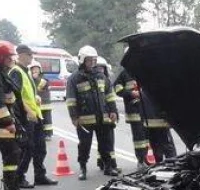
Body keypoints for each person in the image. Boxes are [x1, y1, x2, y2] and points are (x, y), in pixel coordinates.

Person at [65, 46, 120, 180]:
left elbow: (110, 96)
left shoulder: (101, 76)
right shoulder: (74, 79)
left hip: (103, 118)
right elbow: (71, 100)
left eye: (94, 60)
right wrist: (74, 117)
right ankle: (83, 168)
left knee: (105, 144)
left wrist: (113, 111)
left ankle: (108, 167)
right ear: (82, 61)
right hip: (85, 120)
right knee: (84, 145)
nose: (92, 63)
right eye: (89, 60)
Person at [0, 41, 30, 190]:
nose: (12, 59)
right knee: (11, 157)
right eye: (9, 57)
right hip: (2, 124)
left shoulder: (0, 73)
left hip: (8, 121)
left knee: (13, 155)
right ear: (1, 57)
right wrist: (7, 122)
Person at [9, 45, 56, 187]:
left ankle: (39, 176)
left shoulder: (26, 71)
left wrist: (35, 97)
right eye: (29, 55)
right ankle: (19, 177)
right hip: (24, 117)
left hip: (35, 116)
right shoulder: (16, 72)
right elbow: (15, 96)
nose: (31, 58)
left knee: (40, 147)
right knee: (26, 148)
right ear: (22, 55)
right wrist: (28, 110)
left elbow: (27, 92)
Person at [115, 67, 149, 168]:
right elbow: (117, 88)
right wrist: (130, 93)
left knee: (147, 137)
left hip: (146, 110)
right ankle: (140, 160)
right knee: (139, 139)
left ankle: (148, 158)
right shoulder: (124, 74)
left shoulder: (143, 70)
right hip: (134, 111)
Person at [142, 87, 176, 163]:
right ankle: (172, 164)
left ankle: (159, 165)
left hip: (149, 122)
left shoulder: (144, 87)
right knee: (168, 147)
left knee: (156, 147)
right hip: (161, 121)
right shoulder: (159, 86)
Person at [30, 61, 54, 140]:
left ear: (40, 70)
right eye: (33, 69)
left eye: (37, 69)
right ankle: (39, 133)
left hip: (45, 103)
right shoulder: (30, 79)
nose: (35, 70)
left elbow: (38, 87)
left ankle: (48, 134)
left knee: (47, 119)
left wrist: (35, 78)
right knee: (38, 119)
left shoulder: (44, 79)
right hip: (37, 103)